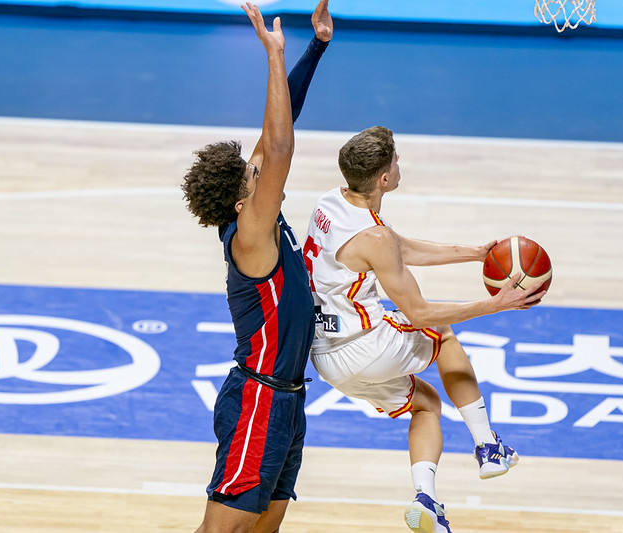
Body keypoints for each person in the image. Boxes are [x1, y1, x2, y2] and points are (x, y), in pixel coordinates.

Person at [303, 126, 545, 533]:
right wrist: (494, 304)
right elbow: (420, 313)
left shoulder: (331, 204)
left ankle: (426, 500)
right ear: (383, 178)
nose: (400, 164)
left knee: (426, 404)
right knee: (444, 334)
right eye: (395, 160)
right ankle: (488, 446)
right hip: (365, 345)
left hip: (326, 354)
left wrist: (474, 254)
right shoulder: (374, 236)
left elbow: (401, 249)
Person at [181, 2, 332, 532]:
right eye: (252, 178)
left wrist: (315, 48)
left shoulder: (253, 220)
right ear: (243, 205)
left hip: (287, 400)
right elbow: (283, 148)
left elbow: (276, 129)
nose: (261, 171)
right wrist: (273, 54)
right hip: (258, 400)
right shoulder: (248, 239)